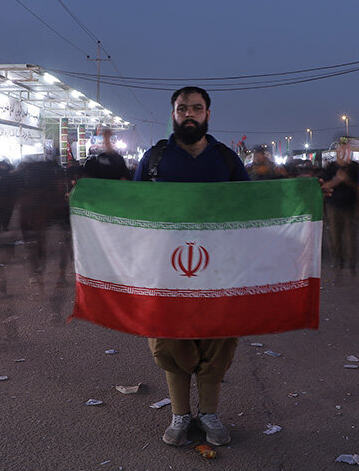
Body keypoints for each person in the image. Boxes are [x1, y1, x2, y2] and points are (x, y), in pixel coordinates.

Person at [133, 86, 249, 447]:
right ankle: (180, 416)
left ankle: (209, 415)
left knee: (218, 339)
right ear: (173, 114)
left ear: (207, 114)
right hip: (166, 270)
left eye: (196, 108)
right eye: (182, 108)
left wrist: (305, 196)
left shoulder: (226, 160)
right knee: (170, 340)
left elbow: (253, 208)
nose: (189, 114)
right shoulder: (154, 160)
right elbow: (132, 210)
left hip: (218, 271)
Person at [320, 141, 359, 271]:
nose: (343, 153)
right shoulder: (330, 168)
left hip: (350, 206)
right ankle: (338, 259)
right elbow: (324, 186)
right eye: (340, 150)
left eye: (345, 150)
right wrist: (337, 180)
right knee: (334, 235)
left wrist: (347, 181)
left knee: (350, 235)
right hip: (333, 206)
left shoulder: (354, 167)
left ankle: (351, 261)